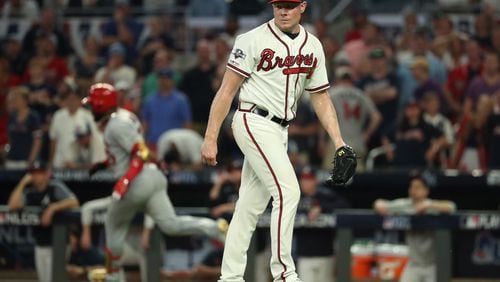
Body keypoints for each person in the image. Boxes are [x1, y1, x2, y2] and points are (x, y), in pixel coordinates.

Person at [201, 0, 351, 281]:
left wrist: (340, 142)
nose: (283, 11)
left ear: (302, 7)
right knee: (288, 191)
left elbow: (320, 97)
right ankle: (284, 273)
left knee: (248, 206)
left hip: (280, 131)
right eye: (278, 5)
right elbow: (226, 91)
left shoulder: (313, 45)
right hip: (252, 120)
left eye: (290, 5)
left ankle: (230, 277)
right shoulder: (252, 39)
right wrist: (210, 137)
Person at [83, 83, 227, 281]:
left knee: (112, 223)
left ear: (100, 105)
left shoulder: (116, 125)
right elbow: (128, 152)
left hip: (136, 181)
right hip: (152, 177)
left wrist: (125, 180)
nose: (90, 108)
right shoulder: (123, 118)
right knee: (171, 224)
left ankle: (113, 274)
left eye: (92, 105)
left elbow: (140, 152)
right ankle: (214, 228)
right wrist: (103, 164)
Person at [373, 174, 456, 282]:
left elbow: (452, 207)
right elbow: (379, 203)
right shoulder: (405, 204)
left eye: (418, 187)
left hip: (432, 265)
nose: (413, 190)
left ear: (426, 191)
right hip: (413, 264)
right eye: (412, 187)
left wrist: (428, 206)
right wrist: (380, 207)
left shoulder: (431, 205)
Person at [7, 161, 80, 282]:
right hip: (40, 243)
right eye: (34, 173)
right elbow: (12, 206)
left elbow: (74, 202)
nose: (36, 176)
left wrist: (53, 208)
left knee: (55, 278)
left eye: (40, 173)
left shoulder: (54, 187)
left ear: (46, 174)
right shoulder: (29, 192)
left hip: (59, 244)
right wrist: (22, 183)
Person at [295, 167, 349, 282]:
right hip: (304, 255)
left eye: (309, 179)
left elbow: (344, 205)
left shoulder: (325, 195)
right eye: (303, 180)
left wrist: (322, 208)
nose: (305, 183)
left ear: (315, 180)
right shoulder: (295, 197)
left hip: (325, 254)